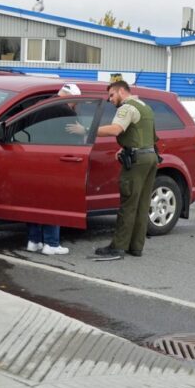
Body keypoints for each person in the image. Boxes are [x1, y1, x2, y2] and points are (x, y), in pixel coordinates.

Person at [88, 80, 159, 261]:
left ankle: (118, 246)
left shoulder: (126, 108)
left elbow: (116, 129)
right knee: (143, 204)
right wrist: (127, 147)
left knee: (128, 203)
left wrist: (89, 130)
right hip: (150, 157)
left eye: (112, 95)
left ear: (121, 91)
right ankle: (136, 246)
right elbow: (149, 136)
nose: (110, 99)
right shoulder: (145, 107)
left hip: (137, 161)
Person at [25, 83, 85, 255]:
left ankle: (34, 240)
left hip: (32, 158)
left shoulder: (39, 105)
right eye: (75, 102)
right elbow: (75, 137)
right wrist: (83, 132)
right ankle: (51, 243)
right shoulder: (66, 112)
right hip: (54, 160)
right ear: (70, 97)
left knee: (35, 201)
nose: (75, 106)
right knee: (53, 202)